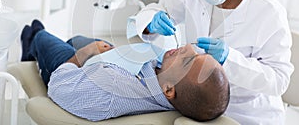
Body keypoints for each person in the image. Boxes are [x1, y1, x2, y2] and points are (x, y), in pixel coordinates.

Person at [128, 0, 294, 124]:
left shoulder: (268, 12)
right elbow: (157, 11)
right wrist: (152, 21)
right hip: (196, 107)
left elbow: (278, 81)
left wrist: (229, 59)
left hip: (247, 114)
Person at [20, 20, 230, 122]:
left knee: (40, 36)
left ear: (168, 90)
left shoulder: (110, 88)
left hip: (74, 67)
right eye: (198, 52)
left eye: (188, 60)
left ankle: (31, 45)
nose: (188, 48)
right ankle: (59, 44)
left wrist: (84, 53)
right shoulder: (168, 84)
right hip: (110, 55)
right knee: (76, 38)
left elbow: (59, 83)